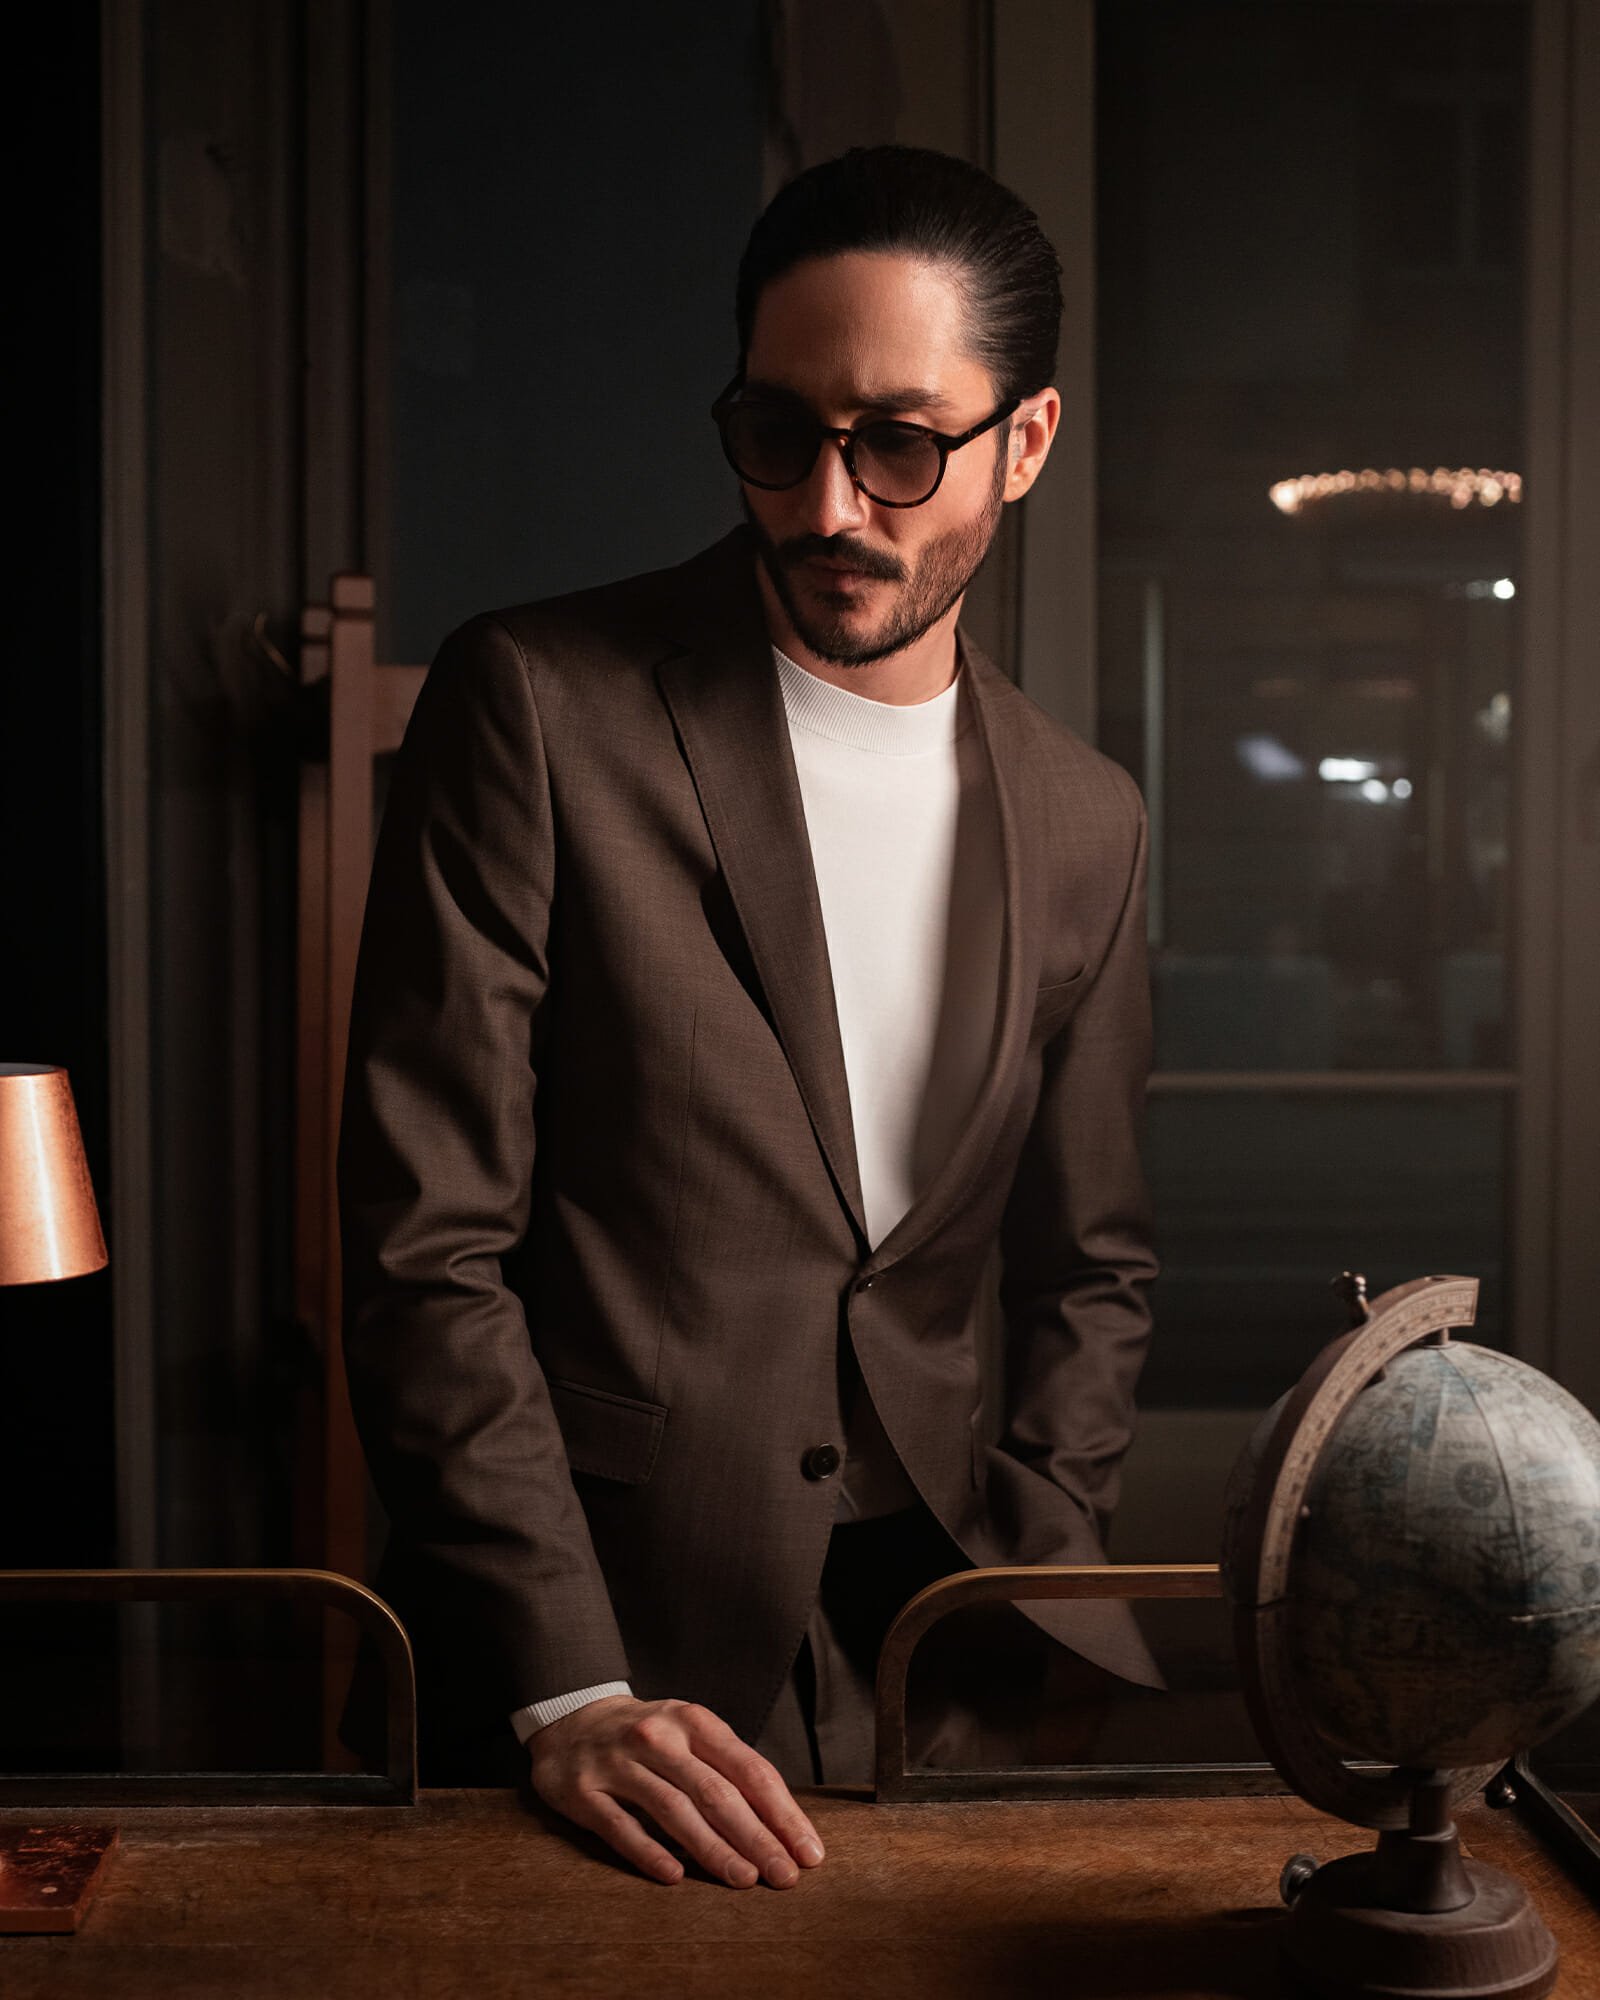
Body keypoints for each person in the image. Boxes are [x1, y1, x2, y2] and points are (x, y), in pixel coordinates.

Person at [337, 143, 1160, 1895]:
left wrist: (1037, 1553)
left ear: (1026, 441)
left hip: (946, 1665)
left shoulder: (1092, 817)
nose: (830, 505)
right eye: (777, 434)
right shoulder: (540, 706)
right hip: (584, 1656)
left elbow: (1089, 1266)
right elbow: (427, 1247)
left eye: (900, 442)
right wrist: (566, 1682)